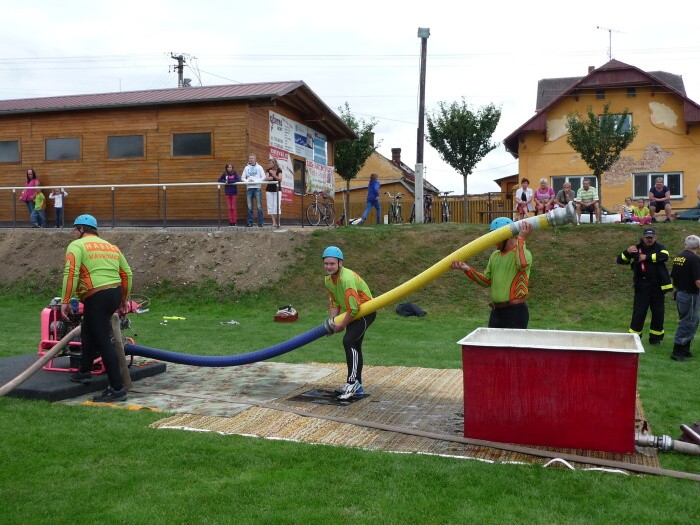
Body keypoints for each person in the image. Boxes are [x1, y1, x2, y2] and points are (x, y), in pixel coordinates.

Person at [61, 214, 133, 402]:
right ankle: (84, 370)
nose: (74, 232)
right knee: (88, 328)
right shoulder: (111, 246)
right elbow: (127, 273)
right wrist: (124, 299)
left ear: (82, 229)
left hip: (96, 295)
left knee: (102, 341)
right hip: (114, 292)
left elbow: (71, 273)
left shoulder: (76, 246)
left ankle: (117, 389)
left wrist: (65, 300)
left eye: (75, 229)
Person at [451, 217, 533, 329]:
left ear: (506, 236)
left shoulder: (524, 254)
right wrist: (467, 270)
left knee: (511, 347)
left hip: (516, 312)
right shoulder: (495, 256)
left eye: (495, 236)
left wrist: (521, 238)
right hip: (496, 312)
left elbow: (522, 263)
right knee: (492, 346)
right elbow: (486, 281)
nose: (493, 241)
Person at [322, 246, 376, 400]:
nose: (328, 267)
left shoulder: (347, 279)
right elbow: (334, 303)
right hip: (353, 313)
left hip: (365, 312)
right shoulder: (328, 280)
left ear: (340, 263)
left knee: (349, 340)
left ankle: (352, 383)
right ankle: (356, 385)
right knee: (354, 345)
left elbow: (354, 308)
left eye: (332, 263)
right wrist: (332, 323)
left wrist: (341, 325)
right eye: (326, 263)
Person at [616, 228, 673, 345]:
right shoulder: (636, 249)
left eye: (651, 238)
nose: (649, 240)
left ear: (655, 238)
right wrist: (627, 251)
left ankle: (656, 339)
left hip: (658, 287)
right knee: (639, 313)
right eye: (647, 238)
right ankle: (635, 338)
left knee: (658, 313)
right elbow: (620, 260)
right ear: (643, 237)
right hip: (642, 286)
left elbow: (664, 256)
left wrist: (645, 257)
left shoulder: (660, 247)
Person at [669, 235, 700, 362]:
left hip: (681, 292)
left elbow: (673, 276)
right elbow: (698, 281)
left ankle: (685, 348)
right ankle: (678, 350)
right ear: (697, 246)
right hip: (690, 294)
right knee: (688, 322)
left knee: (692, 320)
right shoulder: (694, 259)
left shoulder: (679, 257)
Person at [242, 154, 265, 227]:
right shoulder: (246, 168)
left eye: (252, 158)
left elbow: (263, 176)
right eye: (249, 158)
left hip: (257, 188)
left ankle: (260, 222)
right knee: (249, 207)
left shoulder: (259, 167)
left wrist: (256, 181)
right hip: (249, 189)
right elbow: (242, 177)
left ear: (255, 159)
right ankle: (250, 222)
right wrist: (248, 181)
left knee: (259, 206)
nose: (250, 159)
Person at [265, 158, 283, 227]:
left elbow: (280, 179)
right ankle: (274, 222)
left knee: (277, 206)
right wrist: (268, 178)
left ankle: (278, 222)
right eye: (269, 163)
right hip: (269, 190)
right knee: (270, 206)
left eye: (271, 163)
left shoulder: (279, 170)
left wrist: (273, 174)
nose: (270, 164)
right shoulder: (268, 170)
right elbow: (266, 178)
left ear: (274, 164)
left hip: (277, 190)